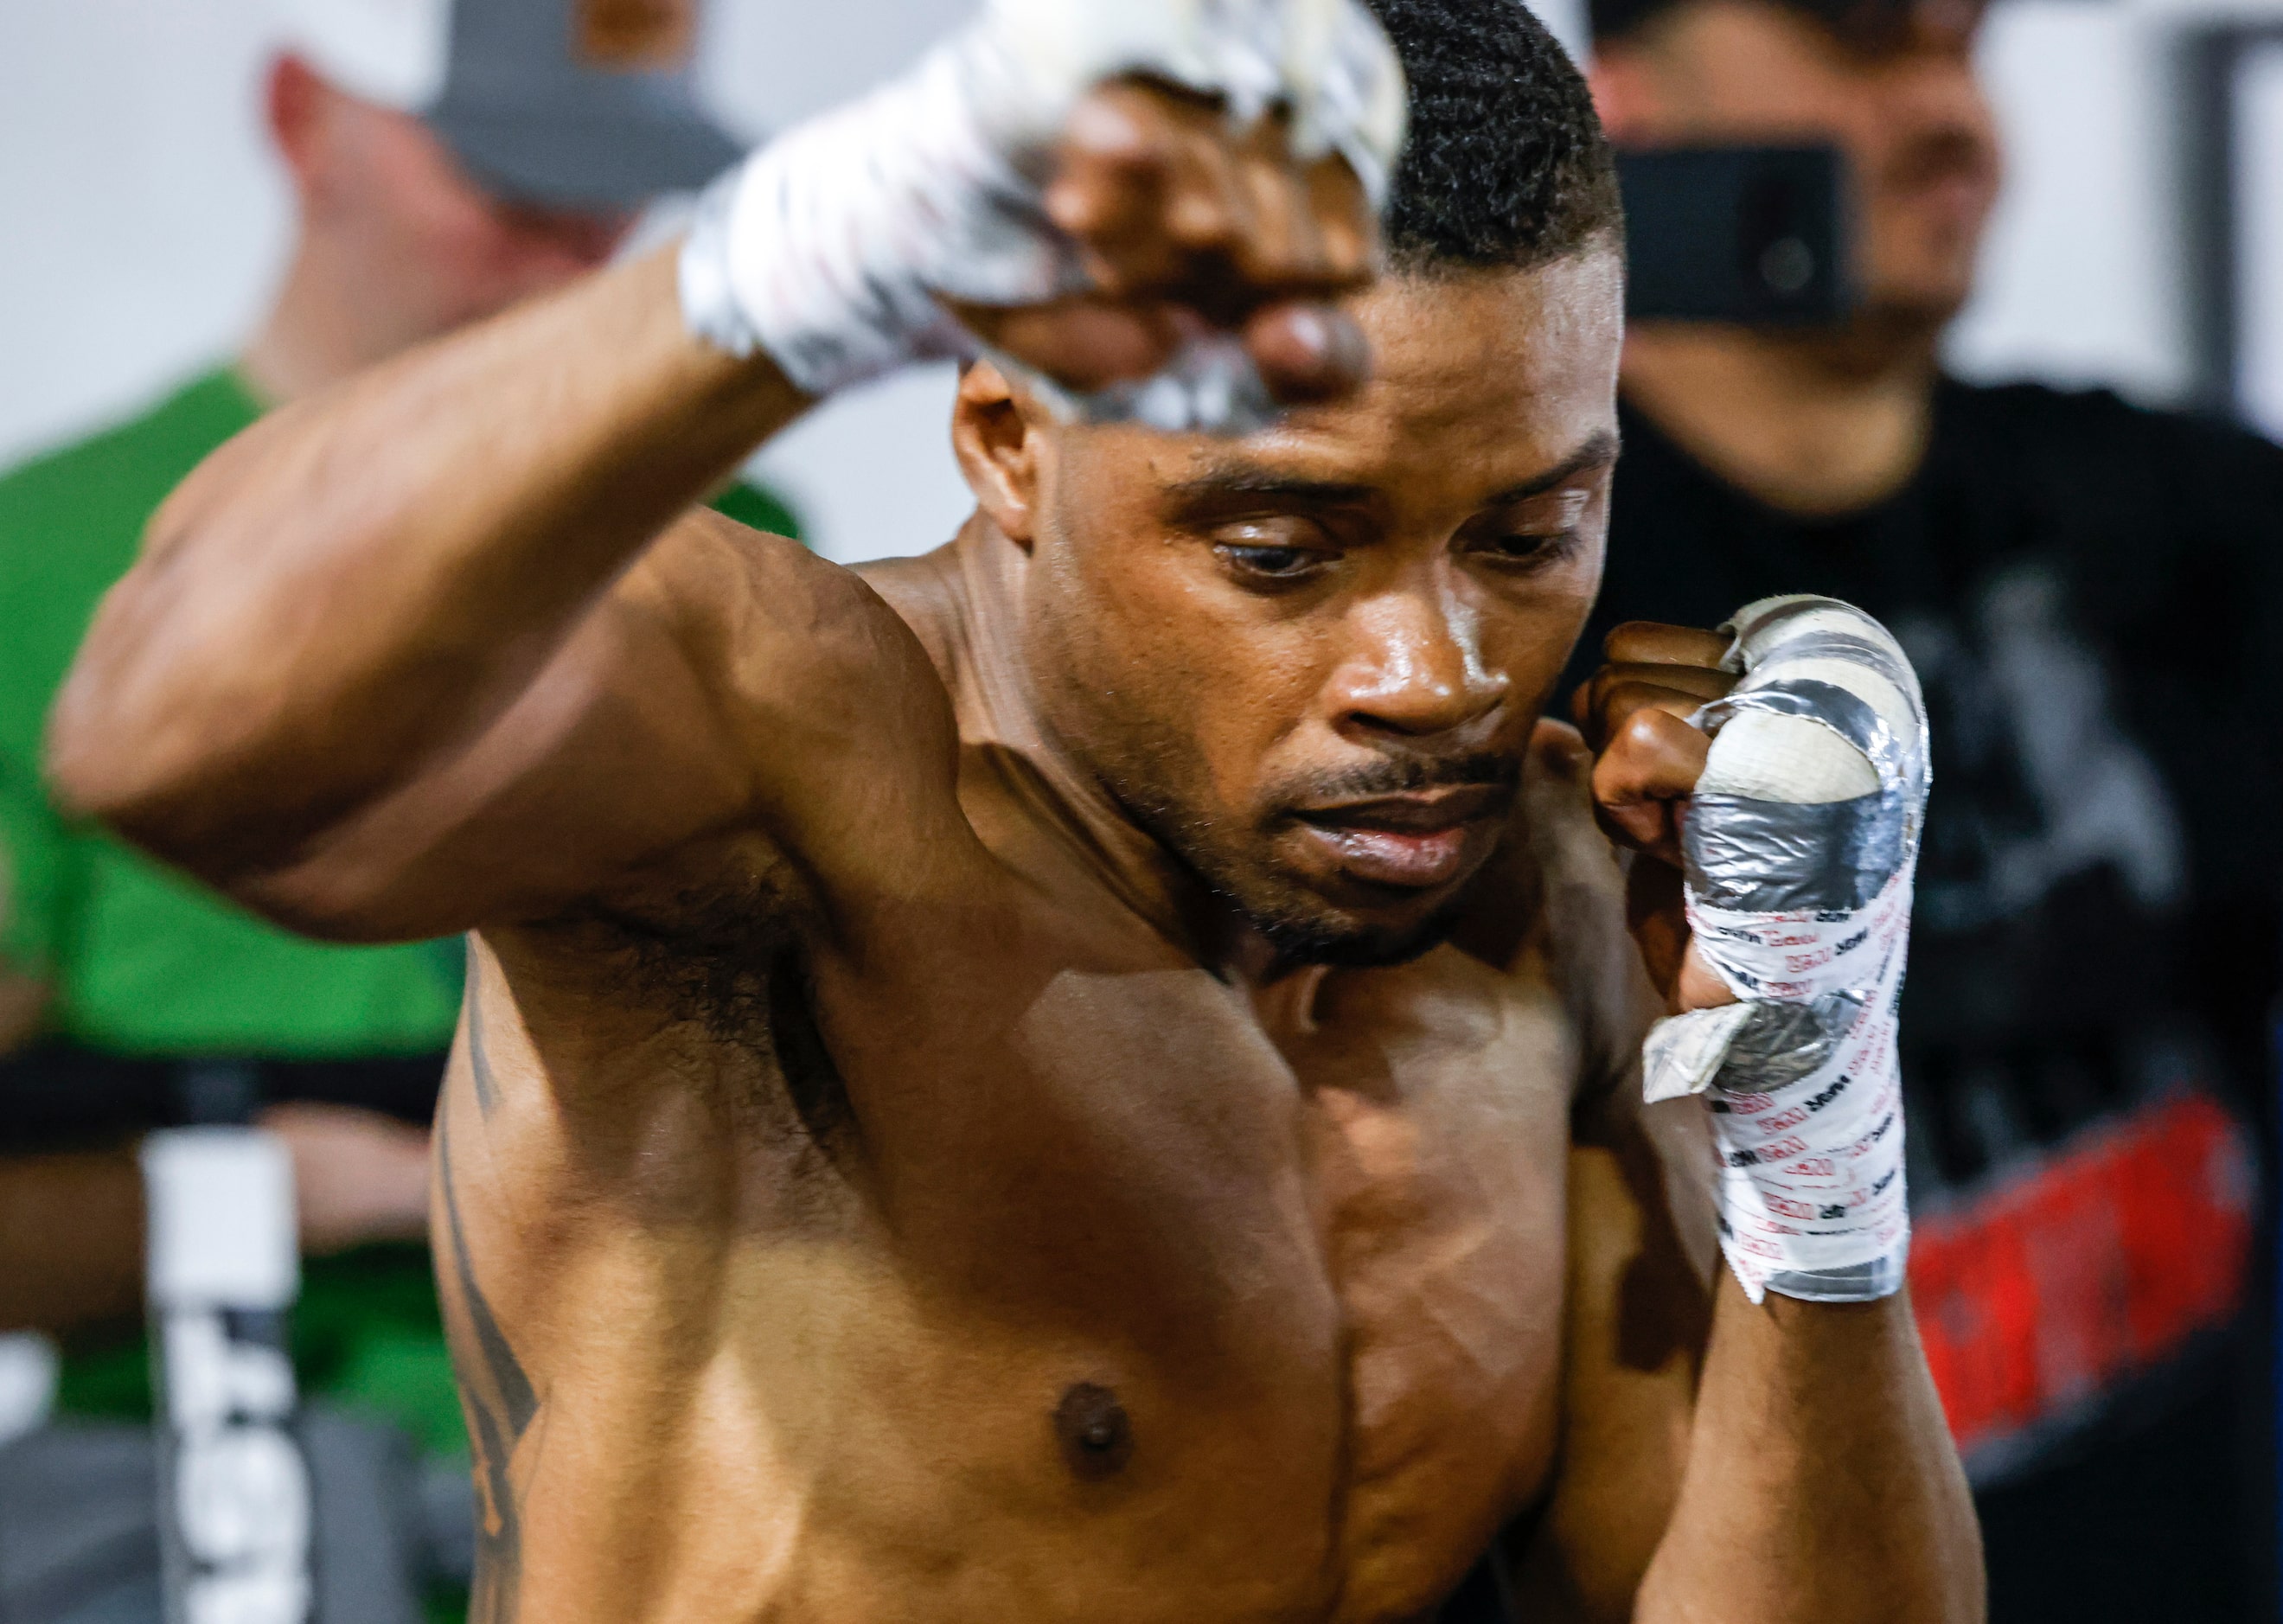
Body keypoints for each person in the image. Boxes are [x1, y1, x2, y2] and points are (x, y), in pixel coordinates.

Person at [49, 0, 1986, 1616]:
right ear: (1004, 438)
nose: (1441, 674)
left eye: (1526, 531)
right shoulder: (796, 753)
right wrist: (803, 265)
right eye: (1282, 545)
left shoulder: (1545, 887)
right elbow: (170, 741)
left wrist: (1818, 1131)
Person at [0, 0, 795, 1612]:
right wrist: (245, 1197)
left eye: (615, 193)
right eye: (511, 191)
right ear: (303, 116)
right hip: (225, 1520)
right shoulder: (43, 570)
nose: (580, 265)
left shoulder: (741, 549)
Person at [1573, 0, 2281, 1615]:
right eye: (1867, 45)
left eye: (1964, 49)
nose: (1951, 112)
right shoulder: (1507, 603)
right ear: (1626, 104)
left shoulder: (2179, 516)